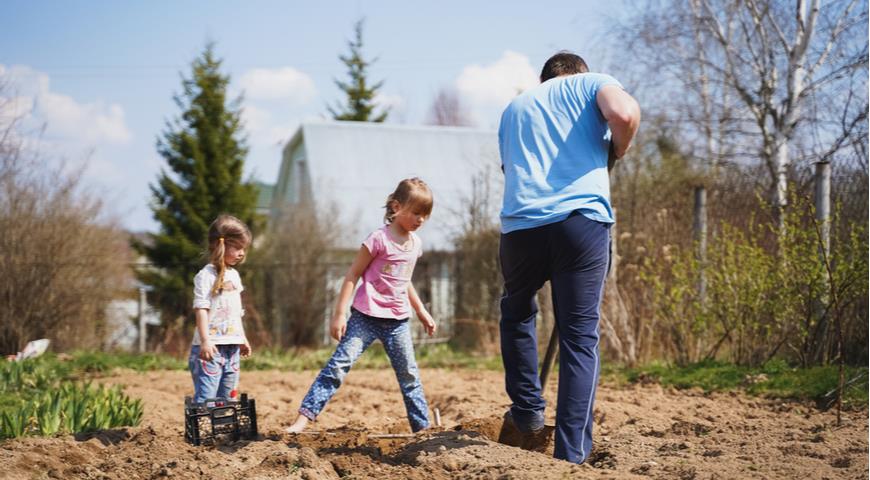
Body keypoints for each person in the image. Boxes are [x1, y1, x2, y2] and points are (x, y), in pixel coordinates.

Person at [497, 51, 641, 463]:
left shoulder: (514, 108)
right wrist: (619, 147)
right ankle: (571, 454)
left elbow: (510, 168)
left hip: (520, 227)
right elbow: (625, 115)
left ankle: (526, 411)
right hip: (579, 223)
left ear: (544, 80)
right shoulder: (592, 82)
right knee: (579, 338)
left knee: (517, 312)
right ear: (580, 74)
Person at [285, 177, 437, 434]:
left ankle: (422, 430)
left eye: (425, 214)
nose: (420, 219)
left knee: (409, 376)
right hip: (364, 318)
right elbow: (352, 275)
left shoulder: (416, 245)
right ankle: (302, 420)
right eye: (416, 212)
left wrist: (421, 311)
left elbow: (405, 280)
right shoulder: (378, 239)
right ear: (396, 207)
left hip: (397, 322)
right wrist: (339, 314)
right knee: (337, 366)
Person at [189, 214, 254, 403]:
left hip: (232, 347)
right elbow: (201, 309)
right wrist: (205, 340)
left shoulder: (234, 276)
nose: (242, 253)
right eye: (238, 248)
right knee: (207, 396)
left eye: (244, 249)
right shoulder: (205, 276)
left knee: (228, 396)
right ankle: (203, 429)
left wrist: (242, 338)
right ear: (221, 245)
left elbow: (236, 313)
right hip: (212, 348)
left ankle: (226, 430)